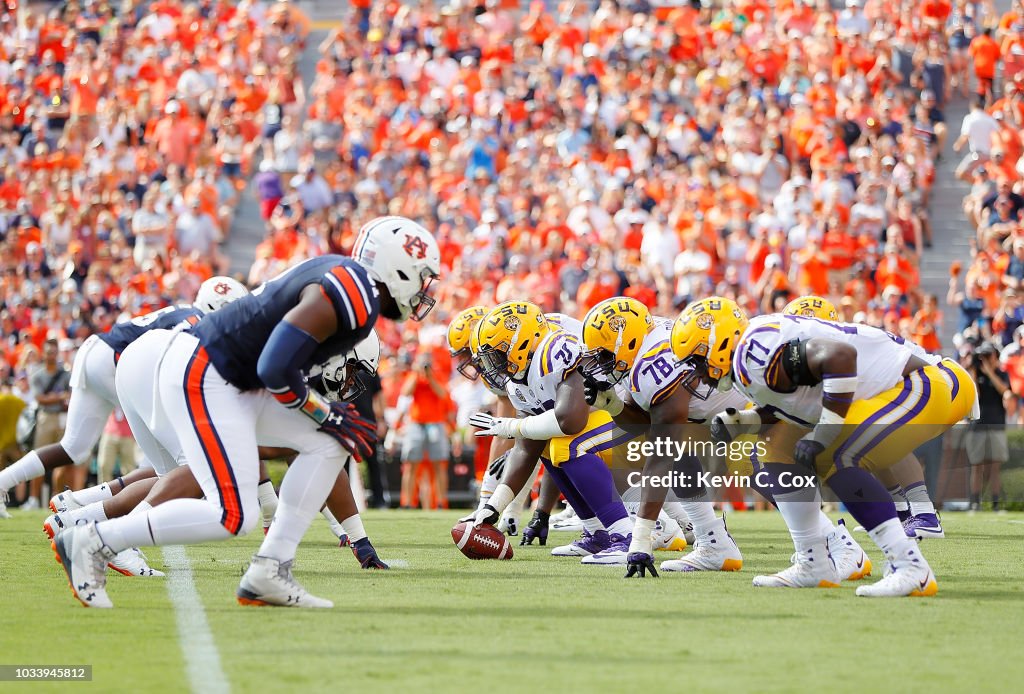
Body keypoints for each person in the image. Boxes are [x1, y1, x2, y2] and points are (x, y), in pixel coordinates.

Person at [51, 216, 440, 609]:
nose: (424, 290)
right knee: (233, 515)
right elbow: (274, 368)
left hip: (227, 376)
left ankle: (270, 571)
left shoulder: (348, 282)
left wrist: (328, 422)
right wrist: (326, 414)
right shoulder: (351, 296)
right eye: (422, 276)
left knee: (330, 441)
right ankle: (95, 539)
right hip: (209, 371)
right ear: (399, 267)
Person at [674, 297, 977, 597]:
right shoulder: (745, 363)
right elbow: (789, 405)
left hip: (918, 382)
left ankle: (910, 567)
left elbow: (840, 358)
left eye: (696, 360)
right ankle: (813, 562)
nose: (696, 372)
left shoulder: (754, 350)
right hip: (888, 389)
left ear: (719, 343)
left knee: (836, 454)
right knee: (775, 454)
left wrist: (824, 434)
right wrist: (746, 419)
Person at [0, 277, 248, 520]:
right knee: (176, 466)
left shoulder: (186, 311)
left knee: (74, 447)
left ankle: (26, 488)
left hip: (96, 351)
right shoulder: (196, 323)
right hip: (116, 362)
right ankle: (110, 526)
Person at [26, 339, 72, 507]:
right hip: (45, 417)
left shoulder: (66, 374)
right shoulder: (38, 375)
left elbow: (70, 395)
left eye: (53, 352)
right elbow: (40, 399)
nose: (51, 355)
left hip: (61, 418)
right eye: (48, 352)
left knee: (62, 460)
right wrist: (59, 397)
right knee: (37, 458)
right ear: (43, 354)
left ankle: (56, 499)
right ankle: (33, 499)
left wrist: (54, 398)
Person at [963, 341, 1008, 510]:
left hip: (996, 424)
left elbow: (1004, 391)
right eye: (983, 356)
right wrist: (973, 372)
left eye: (989, 355)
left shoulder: (1002, 374)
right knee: (977, 465)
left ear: (996, 356)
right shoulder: (974, 374)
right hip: (977, 425)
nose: (986, 359)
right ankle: (975, 502)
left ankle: (995, 502)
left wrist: (989, 372)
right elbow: (974, 395)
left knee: (995, 466)